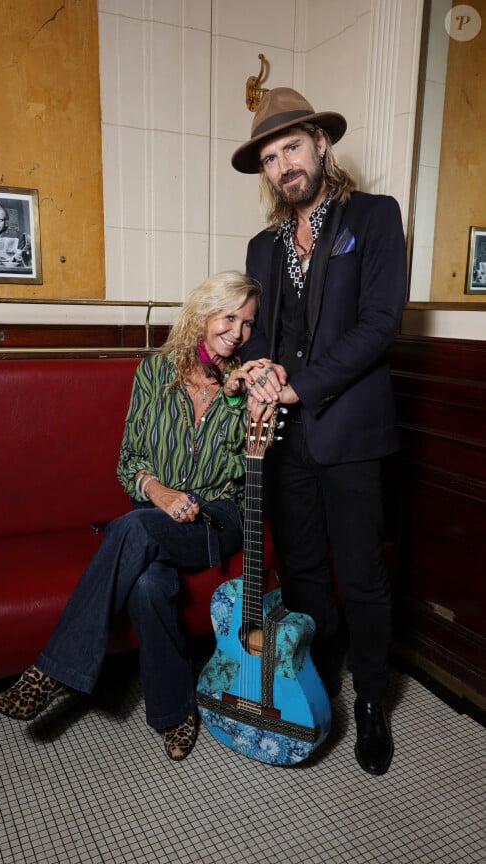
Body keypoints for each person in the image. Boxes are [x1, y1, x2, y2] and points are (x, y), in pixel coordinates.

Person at [0, 271, 271, 761]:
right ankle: (176, 712)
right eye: (229, 317)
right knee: (147, 585)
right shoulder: (153, 373)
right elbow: (129, 461)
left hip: (219, 518)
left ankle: (55, 670)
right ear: (203, 314)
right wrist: (160, 493)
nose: (238, 332)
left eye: (248, 324)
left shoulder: (249, 383)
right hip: (157, 515)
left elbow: (241, 469)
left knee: (130, 526)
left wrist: (239, 399)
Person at [231, 87, 406, 775]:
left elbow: (379, 324)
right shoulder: (261, 246)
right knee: (304, 571)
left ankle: (370, 703)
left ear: (321, 144)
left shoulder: (375, 217)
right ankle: (322, 676)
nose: (282, 167)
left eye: (291, 148)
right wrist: (253, 373)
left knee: (362, 577)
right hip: (283, 440)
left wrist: (300, 384)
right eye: (270, 159)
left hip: (352, 434)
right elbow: (251, 336)